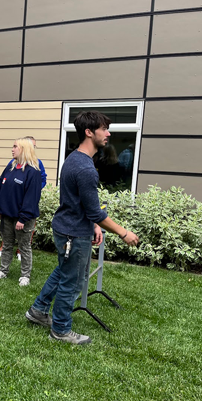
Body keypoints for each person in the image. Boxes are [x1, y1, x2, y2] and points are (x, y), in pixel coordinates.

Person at [25, 111, 139, 345]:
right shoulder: (85, 168)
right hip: (73, 233)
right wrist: (123, 232)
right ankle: (61, 330)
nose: (108, 134)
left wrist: (94, 225)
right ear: (89, 132)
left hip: (69, 227)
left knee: (64, 271)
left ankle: (38, 311)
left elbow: (83, 205)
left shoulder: (75, 158)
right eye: (104, 129)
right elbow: (95, 211)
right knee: (73, 281)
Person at [0, 138, 42, 286]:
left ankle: (25, 275)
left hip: (23, 218)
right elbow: (1, 189)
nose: (12, 149)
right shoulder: (11, 168)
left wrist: (23, 218)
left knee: (24, 247)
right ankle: (3, 271)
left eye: (15, 147)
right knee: (6, 244)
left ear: (24, 149)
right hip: (6, 215)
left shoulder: (33, 172)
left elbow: (32, 198)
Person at [0, 136, 46, 259]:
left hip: (25, 208)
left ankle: (20, 252)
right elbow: (2, 185)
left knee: (24, 238)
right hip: (10, 208)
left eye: (34, 146)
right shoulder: (12, 164)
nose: (33, 149)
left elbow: (42, 180)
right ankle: (4, 254)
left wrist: (31, 190)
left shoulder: (36, 166)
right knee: (8, 234)